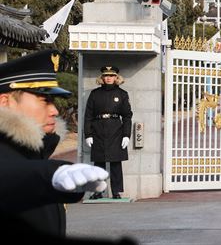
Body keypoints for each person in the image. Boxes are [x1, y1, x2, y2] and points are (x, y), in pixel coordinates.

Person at [0, 49, 109, 239]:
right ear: (4, 102)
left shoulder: (31, 152)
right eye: (44, 100)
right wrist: (50, 174)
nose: (54, 111)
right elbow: (10, 173)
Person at [84, 66, 132, 199]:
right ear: (102, 78)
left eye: (111, 75)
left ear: (116, 78)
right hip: (98, 130)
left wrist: (126, 135)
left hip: (116, 130)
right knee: (99, 163)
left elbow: (127, 116)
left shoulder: (122, 94)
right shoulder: (95, 94)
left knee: (116, 163)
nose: (109, 78)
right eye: (106, 76)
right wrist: (88, 134)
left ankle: (116, 192)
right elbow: (88, 116)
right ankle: (97, 191)